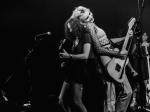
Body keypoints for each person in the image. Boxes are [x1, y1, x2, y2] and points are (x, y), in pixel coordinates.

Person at [70, 6, 137, 112]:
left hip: (109, 60)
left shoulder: (93, 26)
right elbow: (98, 49)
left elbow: (107, 41)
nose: (91, 17)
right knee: (112, 97)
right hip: (104, 63)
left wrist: (125, 37)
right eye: (87, 17)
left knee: (115, 95)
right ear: (81, 20)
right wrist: (117, 54)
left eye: (90, 14)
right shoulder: (89, 28)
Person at [59, 18, 102, 112]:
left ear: (76, 27)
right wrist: (66, 59)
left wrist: (69, 56)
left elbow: (85, 55)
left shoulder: (86, 36)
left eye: (71, 28)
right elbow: (74, 56)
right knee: (62, 101)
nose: (70, 30)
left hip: (79, 71)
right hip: (71, 71)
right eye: (69, 28)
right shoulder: (76, 39)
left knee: (76, 101)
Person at [130, 32, 150, 108]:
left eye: (146, 35)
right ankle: (134, 99)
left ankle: (145, 100)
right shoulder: (136, 44)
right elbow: (131, 53)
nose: (145, 36)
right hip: (137, 64)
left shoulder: (148, 44)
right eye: (143, 35)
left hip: (144, 65)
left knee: (144, 82)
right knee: (136, 83)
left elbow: (148, 55)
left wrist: (145, 48)